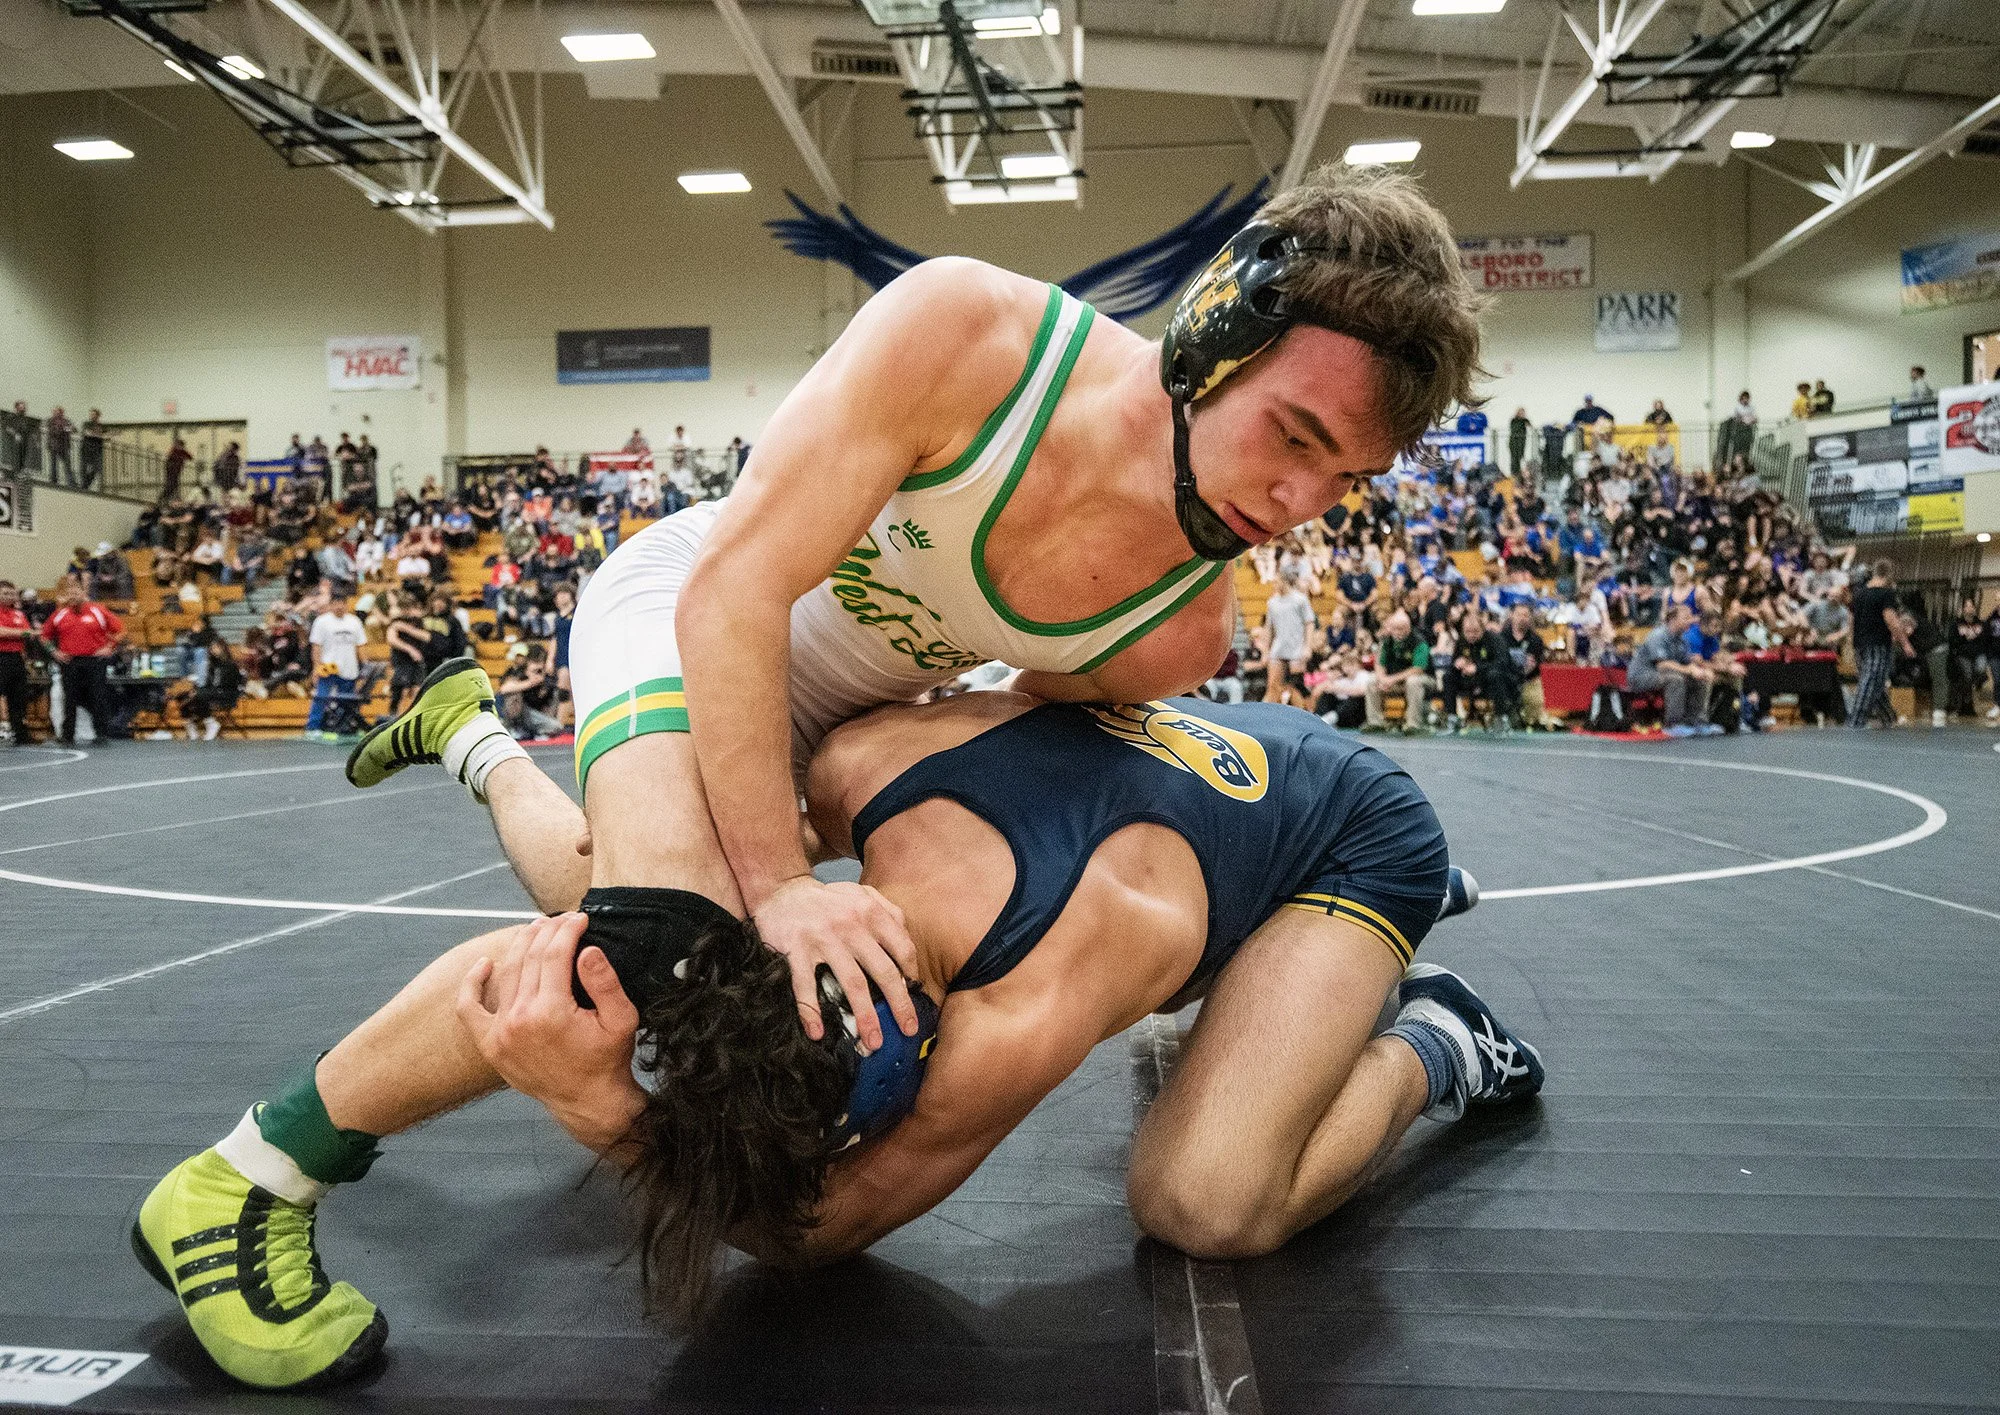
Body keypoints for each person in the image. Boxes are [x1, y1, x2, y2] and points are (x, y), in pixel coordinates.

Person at [343, 162, 1490, 1048]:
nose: (1299, 501)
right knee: (671, 943)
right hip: (690, 603)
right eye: (1295, 436)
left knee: (653, 902)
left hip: (852, 704)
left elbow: (986, 721)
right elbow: (735, 589)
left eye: (1346, 479)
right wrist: (782, 882)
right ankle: (273, 1156)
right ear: (1214, 333)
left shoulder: (1180, 631)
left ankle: (476, 741)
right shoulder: (973, 338)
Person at [133, 688, 1526, 1386]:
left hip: (1341, 831)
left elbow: (819, 1233)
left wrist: (597, 1103)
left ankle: (1438, 1035)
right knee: (610, 910)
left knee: (1203, 1199)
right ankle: (474, 733)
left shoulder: (1036, 996)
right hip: (1136, 793)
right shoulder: (862, 762)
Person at [39, 579, 123, 745]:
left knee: (97, 697)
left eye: (76, 592)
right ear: (66, 597)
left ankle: (101, 734)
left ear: (83, 593)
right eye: (70, 594)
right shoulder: (59, 615)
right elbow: (44, 636)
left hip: (95, 661)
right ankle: (67, 735)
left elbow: (120, 630)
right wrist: (54, 652)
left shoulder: (98, 611)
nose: (73, 596)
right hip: (70, 662)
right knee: (70, 698)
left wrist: (110, 648)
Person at [1627, 603, 1713, 737]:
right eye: (1686, 618)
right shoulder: (1658, 635)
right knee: (1675, 679)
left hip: (1662, 674)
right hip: (1642, 676)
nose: (1690, 621)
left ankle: (1695, 721)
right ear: (1673, 620)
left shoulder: (1682, 640)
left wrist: (1701, 670)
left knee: (1699, 679)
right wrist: (1689, 670)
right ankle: (1673, 724)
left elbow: (1688, 663)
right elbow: (1662, 665)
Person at [1846, 558, 1911, 729]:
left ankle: (1888, 717)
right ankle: (1856, 720)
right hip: (1877, 644)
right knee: (1870, 680)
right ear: (1888, 575)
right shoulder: (1886, 594)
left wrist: (1851, 640)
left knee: (1876, 682)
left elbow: (1851, 619)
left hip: (1860, 643)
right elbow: (1892, 621)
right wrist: (1905, 644)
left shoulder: (1859, 593)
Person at [305, 590, 367, 741]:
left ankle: (346, 725)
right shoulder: (322, 622)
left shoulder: (354, 622)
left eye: (342, 603)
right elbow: (316, 646)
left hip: (349, 668)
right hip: (329, 668)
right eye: (336, 603)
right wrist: (316, 667)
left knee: (349, 700)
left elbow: (361, 645)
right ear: (331, 605)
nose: (339, 607)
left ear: (347, 604)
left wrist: (365, 667)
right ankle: (313, 727)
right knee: (322, 697)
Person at [1364, 608, 1432, 732]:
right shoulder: (1387, 641)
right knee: (1372, 680)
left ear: (1409, 627)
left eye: (1402, 629)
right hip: (1394, 680)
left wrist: (1391, 679)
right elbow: (1379, 664)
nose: (1398, 632)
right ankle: (1375, 722)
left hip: (1423, 680)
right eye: (1395, 629)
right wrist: (1382, 679)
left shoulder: (1419, 641)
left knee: (1413, 681)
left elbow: (1418, 669)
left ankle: (1413, 724)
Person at [1262, 571, 1315, 706]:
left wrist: (1307, 647)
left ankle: (1306, 714)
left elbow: (1309, 623)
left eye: (1277, 582)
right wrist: (1266, 651)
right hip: (1279, 648)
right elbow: (1269, 628)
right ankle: (1269, 716)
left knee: (1297, 687)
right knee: (1273, 685)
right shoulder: (1272, 602)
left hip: (1296, 648)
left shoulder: (1300, 600)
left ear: (1285, 582)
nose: (1274, 585)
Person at [0, 581, 36, 744]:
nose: (9, 596)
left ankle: (20, 733)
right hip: (1, 656)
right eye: (5, 593)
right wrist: (22, 633)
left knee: (18, 696)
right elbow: (2, 632)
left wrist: (23, 634)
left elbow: (29, 633)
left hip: (16, 658)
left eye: (11, 593)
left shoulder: (19, 614)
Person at [46, 406, 74, 486]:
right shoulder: (50, 421)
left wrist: (69, 429)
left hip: (64, 446)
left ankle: (71, 481)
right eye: (55, 412)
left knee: (67, 464)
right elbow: (54, 431)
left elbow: (74, 429)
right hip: (54, 445)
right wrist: (64, 429)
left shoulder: (66, 421)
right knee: (53, 464)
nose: (57, 413)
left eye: (59, 412)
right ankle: (53, 480)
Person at [80, 409, 105, 491]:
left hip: (97, 450)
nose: (92, 416)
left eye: (93, 414)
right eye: (91, 414)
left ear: (98, 416)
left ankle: (85, 484)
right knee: (84, 468)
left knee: (97, 468)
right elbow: (87, 432)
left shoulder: (101, 425)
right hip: (86, 448)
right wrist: (98, 435)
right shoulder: (86, 424)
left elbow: (106, 435)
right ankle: (83, 485)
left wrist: (98, 435)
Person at [1507, 406, 1529, 478]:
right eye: (1521, 413)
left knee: (1520, 459)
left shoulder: (1525, 420)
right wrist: (1522, 423)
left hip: (1521, 443)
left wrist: (1525, 422)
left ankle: (1519, 475)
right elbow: (1515, 429)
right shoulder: (1514, 420)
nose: (1522, 414)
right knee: (1514, 460)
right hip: (1514, 443)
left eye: (1523, 413)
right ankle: (1513, 474)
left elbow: (1530, 426)